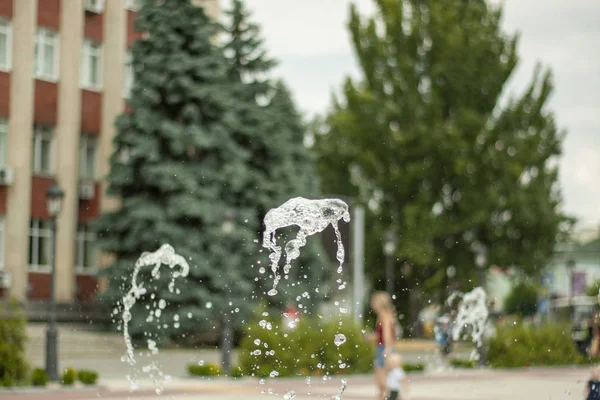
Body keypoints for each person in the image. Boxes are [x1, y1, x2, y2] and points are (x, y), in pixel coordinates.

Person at [365, 291, 398, 400]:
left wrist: (388, 348)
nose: (372, 304)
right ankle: (384, 395)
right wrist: (372, 337)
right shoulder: (385, 314)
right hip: (383, 347)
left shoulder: (384, 314)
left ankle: (388, 395)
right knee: (382, 375)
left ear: (379, 303)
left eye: (373, 301)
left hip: (383, 348)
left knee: (381, 375)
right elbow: (381, 334)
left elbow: (387, 333)